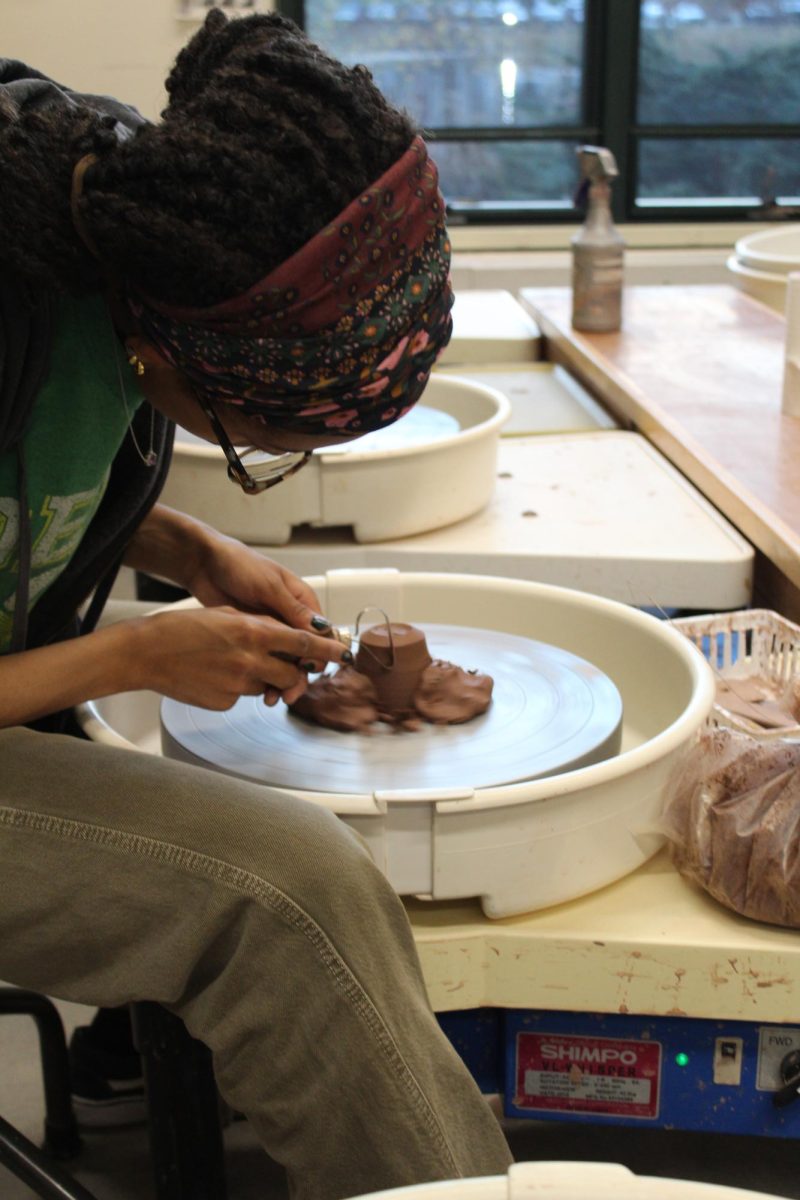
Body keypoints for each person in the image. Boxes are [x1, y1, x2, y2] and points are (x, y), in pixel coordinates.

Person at [0, 9, 514, 1199]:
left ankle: (134, 1061)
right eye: (260, 446)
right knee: (293, 895)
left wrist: (184, 548)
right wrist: (130, 660)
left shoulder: (125, 220)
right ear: (171, 360)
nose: (255, 457)